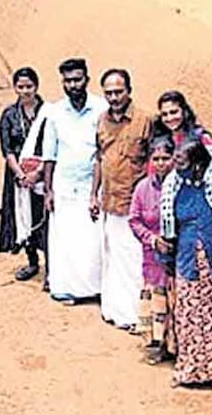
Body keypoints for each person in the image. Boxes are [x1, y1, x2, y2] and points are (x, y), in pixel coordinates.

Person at [159, 137, 212, 387]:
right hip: (186, 260)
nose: (177, 167)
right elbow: (169, 227)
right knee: (189, 316)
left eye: (182, 162)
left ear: (197, 164)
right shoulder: (176, 186)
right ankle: (191, 370)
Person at [41, 58, 108, 304]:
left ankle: (94, 289)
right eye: (67, 81)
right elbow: (49, 155)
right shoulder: (55, 112)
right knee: (65, 240)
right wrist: (48, 191)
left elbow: (102, 152)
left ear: (86, 80)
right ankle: (67, 289)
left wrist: (95, 192)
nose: (72, 85)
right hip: (64, 185)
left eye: (77, 79)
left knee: (92, 240)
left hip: (93, 186)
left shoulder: (101, 109)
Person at [92, 68, 153, 330]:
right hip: (109, 202)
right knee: (112, 257)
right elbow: (99, 159)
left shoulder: (145, 121)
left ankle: (135, 316)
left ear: (129, 90)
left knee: (133, 260)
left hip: (135, 206)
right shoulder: (101, 120)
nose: (114, 97)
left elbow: (155, 162)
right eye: (109, 93)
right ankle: (114, 311)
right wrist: (92, 195)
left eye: (119, 92)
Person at [128, 137, 177, 364]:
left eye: (165, 158)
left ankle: (175, 346)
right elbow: (135, 220)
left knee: (175, 301)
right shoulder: (142, 188)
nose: (161, 164)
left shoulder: (180, 187)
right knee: (156, 301)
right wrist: (152, 239)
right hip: (152, 257)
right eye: (156, 159)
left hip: (177, 256)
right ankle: (157, 343)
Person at [0, 67, 48, 284]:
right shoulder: (9, 115)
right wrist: (19, 174)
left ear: (36, 86)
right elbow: (7, 148)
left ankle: (51, 267)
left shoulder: (48, 112)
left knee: (43, 218)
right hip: (18, 176)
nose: (25, 91)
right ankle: (32, 262)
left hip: (44, 174)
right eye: (21, 86)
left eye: (29, 86)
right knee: (22, 217)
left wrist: (38, 173)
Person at [152, 90, 212, 158]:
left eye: (174, 112)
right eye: (164, 114)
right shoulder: (158, 140)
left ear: (184, 112)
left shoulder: (200, 137)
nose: (169, 118)